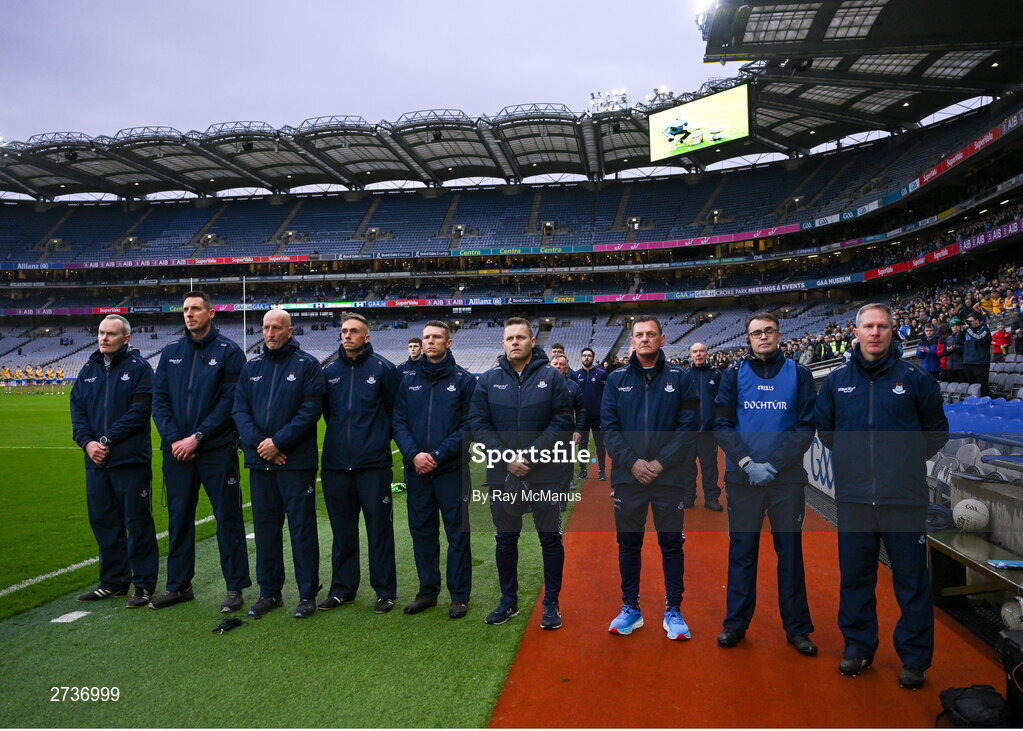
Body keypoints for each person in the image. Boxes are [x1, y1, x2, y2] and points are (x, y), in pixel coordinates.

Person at [815, 303, 949, 690]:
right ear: (855, 332)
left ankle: (915, 659)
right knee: (856, 579)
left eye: (882, 326)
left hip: (904, 499)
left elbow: (936, 432)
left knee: (912, 581)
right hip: (855, 499)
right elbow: (826, 431)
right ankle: (858, 647)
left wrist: (902, 461)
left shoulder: (916, 378)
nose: (875, 333)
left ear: (893, 331)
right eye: (868, 326)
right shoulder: (836, 381)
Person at [714, 312, 817, 656]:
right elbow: (722, 424)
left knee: (790, 555)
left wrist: (772, 464)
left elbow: (805, 426)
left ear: (778, 334)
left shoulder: (799, 374)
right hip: (743, 479)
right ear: (748, 338)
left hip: (785, 480)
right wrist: (746, 463)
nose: (763, 337)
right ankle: (735, 624)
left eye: (768, 331)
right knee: (742, 553)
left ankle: (798, 629)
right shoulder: (733, 374)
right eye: (756, 332)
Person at [469, 317, 573, 630]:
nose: (515, 342)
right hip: (502, 476)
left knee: (550, 539)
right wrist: (505, 459)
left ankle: (552, 603)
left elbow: (563, 421)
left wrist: (529, 456)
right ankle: (508, 600)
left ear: (532, 341)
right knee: (505, 539)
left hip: (545, 475)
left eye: (520, 337)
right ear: (503, 343)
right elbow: (478, 424)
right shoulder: (487, 380)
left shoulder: (552, 378)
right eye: (509, 338)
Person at [150, 291, 250, 612]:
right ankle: (179, 585)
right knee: (179, 520)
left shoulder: (229, 352)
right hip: (177, 452)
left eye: (195, 309)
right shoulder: (170, 352)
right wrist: (175, 438)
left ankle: (235, 588)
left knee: (228, 519)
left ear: (211, 314)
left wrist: (198, 436)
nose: (189, 314)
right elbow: (160, 400)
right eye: (185, 310)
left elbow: (230, 401)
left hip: (216, 450)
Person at [603, 317, 699, 641]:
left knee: (671, 544)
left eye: (651, 334)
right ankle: (631, 607)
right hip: (628, 478)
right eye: (639, 335)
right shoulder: (616, 380)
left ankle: (674, 610)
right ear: (631, 341)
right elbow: (609, 429)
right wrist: (633, 464)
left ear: (662, 338)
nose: (645, 339)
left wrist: (659, 463)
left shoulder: (681, 378)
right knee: (628, 544)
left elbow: (688, 428)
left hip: (669, 478)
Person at [233, 308, 324, 619]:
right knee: (266, 530)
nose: (269, 333)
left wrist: (279, 443)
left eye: (276, 328)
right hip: (261, 464)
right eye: (266, 327)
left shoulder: (307, 365)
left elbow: (310, 410)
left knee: (302, 530)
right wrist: (262, 446)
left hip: (296, 464)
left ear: (290, 330)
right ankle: (269, 593)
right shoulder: (252, 366)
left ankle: (307, 594)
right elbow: (239, 411)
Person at [69, 314, 158, 608]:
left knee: (138, 521)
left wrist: (106, 440)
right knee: (103, 521)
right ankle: (113, 582)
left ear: (126, 338)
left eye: (111, 334)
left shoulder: (140, 369)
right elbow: (78, 412)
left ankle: (144, 585)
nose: (104, 338)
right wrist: (87, 443)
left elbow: (139, 412)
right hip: (96, 461)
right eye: (101, 333)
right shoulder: (88, 370)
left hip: (129, 460)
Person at [393, 320, 476, 618]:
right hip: (417, 471)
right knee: (422, 532)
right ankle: (427, 591)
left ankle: (459, 595)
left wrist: (438, 455)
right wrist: (414, 455)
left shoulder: (464, 381)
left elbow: (469, 426)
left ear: (448, 343)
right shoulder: (407, 380)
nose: (430, 342)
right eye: (426, 337)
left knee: (457, 533)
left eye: (436, 337)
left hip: (451, 470)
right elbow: (398, 422)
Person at [319, 312, 400, 614]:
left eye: (354, 331)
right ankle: (343, 589)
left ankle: (385, 591)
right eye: (344, 331)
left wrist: (377, 441)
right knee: (342, 531)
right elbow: (328, 414)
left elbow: (395, 412)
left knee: (379, 529)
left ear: (367, 337)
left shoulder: (384, 369)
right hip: (336, 465)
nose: (348, 335)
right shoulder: (329, 372)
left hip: (373, 465)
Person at [683, 342, 723, 512]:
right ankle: (688, 497)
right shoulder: (684, 375)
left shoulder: (716, 374)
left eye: (701, 351)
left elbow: (722, 401)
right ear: (691, 355)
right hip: (689, 431)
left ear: (707, 353)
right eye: (695, 351)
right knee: (686, 466)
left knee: (710, 467)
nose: (698, 354)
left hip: (708, 431)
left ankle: (711, 498)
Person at [551, 353, 587, 493]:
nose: (558, 366)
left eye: (562, 364)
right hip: (545, 434)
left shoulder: (573, 386)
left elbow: (581, 409)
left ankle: (562, 501)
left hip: (566, 434)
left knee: (565, 467)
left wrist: (578, 430)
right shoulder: (541, 384)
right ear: (551, 366)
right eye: (556, 364)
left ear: (566, 368)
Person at [574, 347, 607, 481]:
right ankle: (582, 470)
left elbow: (607, 394)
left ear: (593, 358)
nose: (586, 357)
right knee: (583, 445)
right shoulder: (576, 375)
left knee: (600, 444)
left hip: (598, 416)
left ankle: (602, 471)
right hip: (582, 417)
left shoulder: (602, 374)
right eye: (584, 355)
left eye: (589, 355)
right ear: (581, 358)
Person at [963, 314, 991, 396]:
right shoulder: (968, 331)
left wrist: (968, 329)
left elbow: (978, 337)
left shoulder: (985, 329)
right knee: (972, 389)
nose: (969, 323)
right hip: (968, 362)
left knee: (982, 388)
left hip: (980, 363)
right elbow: (958, 342)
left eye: (970, 321)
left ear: (977, 321)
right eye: (967, 322)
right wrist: (961, 331)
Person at [942, 319, 965, 383]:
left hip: (961, 367)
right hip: (950, 367)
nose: (955, 327)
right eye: (953, 326)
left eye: (957, 325)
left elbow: (965, 349)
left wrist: (955, 348)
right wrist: (948, 350)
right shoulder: (948, 338)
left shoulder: (963, 336)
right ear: (951, 328)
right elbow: (944, 353)